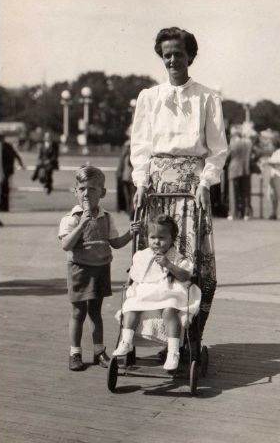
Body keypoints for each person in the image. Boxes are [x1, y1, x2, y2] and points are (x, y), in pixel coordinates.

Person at [130, 27, 228, 342]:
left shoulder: (207, 97)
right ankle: (165, 336)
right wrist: (141, 182)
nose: (173, 60)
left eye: (179, 54)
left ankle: (191, 338)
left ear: (190, 57)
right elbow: (141, 147)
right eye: (167, 55)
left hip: (191, 192)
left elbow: (217, 149)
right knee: (155, 263)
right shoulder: (149, 97)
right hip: (158, 191)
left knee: (193, 265)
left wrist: (205, 182)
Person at [58, 166, 140, 372]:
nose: (87, 193)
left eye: (93, 189)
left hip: (101, 269)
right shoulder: (71, 218)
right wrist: (82, 224)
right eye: (82, 188)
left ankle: (98, 351)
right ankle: (75, 352)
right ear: (75, 191)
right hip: (79, 270)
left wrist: (131, 233)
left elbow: (115, 242)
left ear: (102, 193)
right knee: (78, 312)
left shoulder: (107, 217)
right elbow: (66, 244)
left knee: (96, 311)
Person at [113, 214, 201, 371]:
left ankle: (173, 352)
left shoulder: (177, 257)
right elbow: (136, 276)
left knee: (169, 309)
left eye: (162, 238)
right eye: (152, 237)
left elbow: (185, 275)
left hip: (169, 290)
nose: (156, 242)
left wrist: (169, 265)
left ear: (172, 239)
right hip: (147, 291)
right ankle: (126, 341)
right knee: (131, 306)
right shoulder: (143, 255)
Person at [227, 129, 252, 220]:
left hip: (234, 169)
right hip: (245, 169)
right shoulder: (247, 143)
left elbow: (227, 156)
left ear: (233, 136)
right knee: (245, 192)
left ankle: (233, 213)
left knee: (233, 192)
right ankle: (246, 213)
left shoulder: (233, 143)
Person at [0, 136, 25, 211]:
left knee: (4, 190)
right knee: (4, 190)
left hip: (5, 171)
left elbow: (15, 155)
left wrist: (21, 163)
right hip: (4, 171)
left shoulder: (6, 146)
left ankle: (3, 207)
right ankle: (3, 206)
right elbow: (16, 155)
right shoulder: (7, 146)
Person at [116, 125, 136, 218]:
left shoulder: (128, 145)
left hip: (127, 175)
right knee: (131, 195)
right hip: (130, 175)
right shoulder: (132, 145)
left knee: (129, 196)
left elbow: (122, 161)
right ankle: (132, 213)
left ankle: (131, 212)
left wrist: (119, 172)